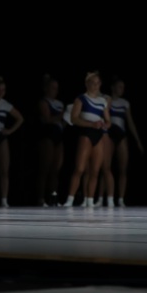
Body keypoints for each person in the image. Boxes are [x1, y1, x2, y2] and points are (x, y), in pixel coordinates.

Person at [62, 71, 111, 208]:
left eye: (97, 83)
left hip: (98, 134)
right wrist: (91, 124)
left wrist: (105, 125)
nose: (95, 86)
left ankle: (90, 201)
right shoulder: (81, 99)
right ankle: (70, 200)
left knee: (95, 170)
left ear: (100, 84)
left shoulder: (103, 101)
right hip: (86, 133)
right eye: (92, 83)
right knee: (80, 168)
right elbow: (74, 118)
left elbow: (108, 120)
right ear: (87, 84)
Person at [97, 76, 145, 208]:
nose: (122, 89)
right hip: (109, 134)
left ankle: (121, 199)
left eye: (123, 87)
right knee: (105, 168)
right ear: (113, 87)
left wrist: (138, 141)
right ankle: (100, 198)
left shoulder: (125, 103)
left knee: (123, 169)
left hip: (121, 135)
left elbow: (130, 123)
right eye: (119, 86)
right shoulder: (106, 100)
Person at [0, 75, 24, 208]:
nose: (1, 92)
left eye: (3, 90)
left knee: (4, 171)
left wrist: (9, 131)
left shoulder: (5, 104)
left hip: (1, 137)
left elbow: (20, 118)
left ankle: (4, 200)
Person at [36, 74, 66, 207]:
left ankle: (53, 197)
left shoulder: (60, 103)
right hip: (47, 134)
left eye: (57, 88)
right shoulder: (43, 101)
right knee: (45, 168)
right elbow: (47, 119)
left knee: (56, 169)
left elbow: (63, 123)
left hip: (58, 135)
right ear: (47, 88)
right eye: (53, 88)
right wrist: (61, 115)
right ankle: (41, 198)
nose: (56, 90)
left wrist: (65, 118)